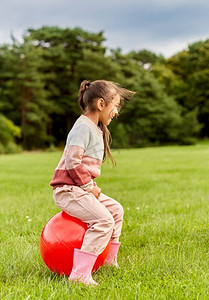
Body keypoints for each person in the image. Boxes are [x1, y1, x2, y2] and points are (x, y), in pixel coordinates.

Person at [50, 79, 135, 286]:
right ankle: (79, 274)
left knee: (115, 211)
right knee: (104, 220)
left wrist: (88, 188)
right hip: (68, 190)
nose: (116, 112)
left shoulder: (95, 127)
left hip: (80, 189)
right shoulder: (82, 127)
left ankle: (108, 261)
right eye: (115, 106)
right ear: (101, 104)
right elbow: (72, 161)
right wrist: (90, 187)